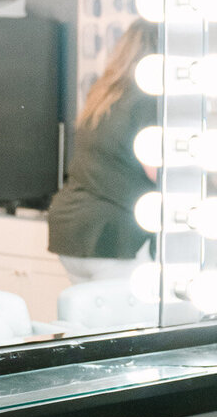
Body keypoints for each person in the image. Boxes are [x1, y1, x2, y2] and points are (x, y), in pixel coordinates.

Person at [47, 18, 159, 280]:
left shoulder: (104, 93)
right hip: (112, 233)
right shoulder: (148, 100)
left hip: (72, 229)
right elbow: (156, 170)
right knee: (130, 320)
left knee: (90, 319)